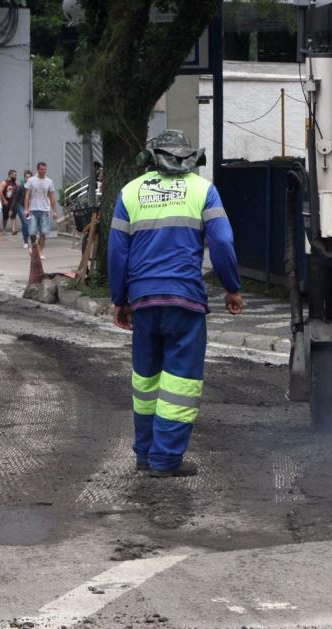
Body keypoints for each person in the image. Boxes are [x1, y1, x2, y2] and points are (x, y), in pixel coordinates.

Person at [110, 131, 243, 478]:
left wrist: (118, 299)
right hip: (185, 300)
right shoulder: (203, 190)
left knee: (146, 381)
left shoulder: (130, 191)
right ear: (188, 158)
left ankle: (145, 454)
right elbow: (222, 242)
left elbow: (116, 252)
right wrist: (232, 287)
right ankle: (166, 460)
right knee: (180, 384)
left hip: (142, 301)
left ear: (151, 157)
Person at [23, 161, 61, 253]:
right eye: (42, 169)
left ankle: (40, 251)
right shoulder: (31, 180)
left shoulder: (49, 181)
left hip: (45, 210)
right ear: (38, 170)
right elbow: (27, 195)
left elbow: (52, 196)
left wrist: (55, 211)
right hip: (33, 209)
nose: (43, 171)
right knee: (32, 232)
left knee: (43, 232)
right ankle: (33, 246)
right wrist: (26, 208)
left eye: (45, 169)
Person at [1, 170, 20, 236]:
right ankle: (4, 229)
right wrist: (4, 200)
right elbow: (0, 191)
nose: (16, 176)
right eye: (15, 175)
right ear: (10, 175)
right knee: (5, 217)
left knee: (13, 215)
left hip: (13, 203)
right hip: (6, 202)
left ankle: (13, 230)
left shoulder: (15, 184)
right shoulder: (4, 182)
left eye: (16, 175)